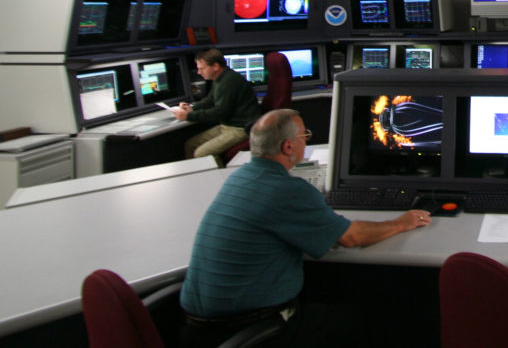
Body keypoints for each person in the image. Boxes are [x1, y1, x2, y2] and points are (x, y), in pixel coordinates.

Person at [180, 108, 432, 346]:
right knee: (378, 322)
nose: (306, 141)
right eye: (305, 136)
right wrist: (401, 222)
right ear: (288, 146)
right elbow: (351, 237)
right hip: (249, 330)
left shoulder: (238, 178)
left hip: (195, 329)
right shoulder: (288, 190)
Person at [173, 48, 261, 163]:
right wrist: (192, 108)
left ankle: (220, 179)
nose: (199, 72)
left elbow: (220, 112)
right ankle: (196, 176)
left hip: (240, 129)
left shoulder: (229, 82)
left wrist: (188, 116)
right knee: (190, 145)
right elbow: (210, 100)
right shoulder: (220, 78)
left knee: (201, 153)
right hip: (227, 125)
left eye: (202, 68)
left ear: (215, 66)